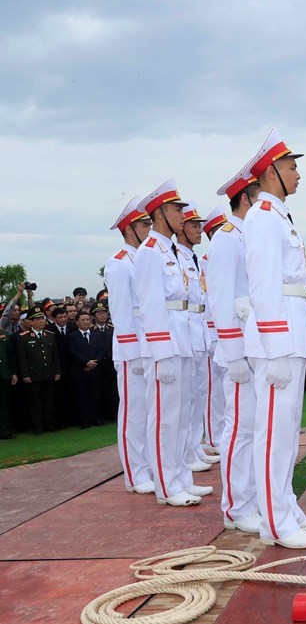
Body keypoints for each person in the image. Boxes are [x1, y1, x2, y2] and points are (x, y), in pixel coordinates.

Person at [243, 128, 306, 548]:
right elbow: (262, 287)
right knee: (273, 432)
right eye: (292, 167)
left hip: (293, 332)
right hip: (276, 339)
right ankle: (274, 523)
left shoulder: (278, 216)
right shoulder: (261, 217)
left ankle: (286, 507)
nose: (298, 174)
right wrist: (275, 348)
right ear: (272, 172)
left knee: (288, 430)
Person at [134, 179, 210, 507]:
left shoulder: (174, 251)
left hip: (185, 338)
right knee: (164, 418)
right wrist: (161, 352)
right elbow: (150, 305)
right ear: (160, 213)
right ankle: (166, 485)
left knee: (181, 415)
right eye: (177, 209)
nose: (182, 214)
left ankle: (181, 477)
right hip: (165, 342)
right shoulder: (150, 252)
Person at [208, 166, 262, 534]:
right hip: (238, 348)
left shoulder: (249, 234)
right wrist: (233, 352)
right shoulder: (227, 239)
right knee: (240, 428)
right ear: (246, 198)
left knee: (255, 427)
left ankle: (254, 499)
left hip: (255, 345)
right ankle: (236, 507)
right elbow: (221, 298)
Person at [105, 196, 155, 494]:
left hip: (149, 344)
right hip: (132, 348)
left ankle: (149, 467)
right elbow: (121, 313)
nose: (150, 228)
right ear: (129, 228)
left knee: (149, 412)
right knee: (133, 413)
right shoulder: (119, 264)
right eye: (144, 224)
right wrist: (131, 352)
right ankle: (135, 474)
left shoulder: (145, 258)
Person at [176, 202, 218, 472]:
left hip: (199, 329)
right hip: (185, 329)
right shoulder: (176, 256)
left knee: (198, 393)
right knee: (187, 396)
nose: (199, 230)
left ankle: (194, 446)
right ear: (181, 228)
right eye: (194, 225)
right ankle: (186, 452)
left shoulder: (191, 258)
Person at [200, 205, 229, 455]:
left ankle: (225, 433)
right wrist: (211, 332)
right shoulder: (205, 261)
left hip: (226, 329)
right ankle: (213, 437)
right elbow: (209, 300)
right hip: (212, 331)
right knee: (214, 389)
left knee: (227, 388)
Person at [16, 306, 61, 434]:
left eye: (43, 318)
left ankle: (50, 424)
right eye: (38, 319)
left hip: (49, 373)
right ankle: (37, 425)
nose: (42, 321)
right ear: (31, 322)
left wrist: (58, 371)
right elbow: (22, 358)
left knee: (49, 401)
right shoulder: (23, 337)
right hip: (33, 374)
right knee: (35, 401)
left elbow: (55, 356)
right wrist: (25, 374)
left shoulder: (50, 335)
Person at [67, 310, 105, 428]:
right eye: (83, 320)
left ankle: (96, 418)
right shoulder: (72, 336)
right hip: (80, 370)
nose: (86, 322)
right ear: (77, 322)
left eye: (87, 319)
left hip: (95, 370)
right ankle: (84, 420)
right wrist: (86, 362)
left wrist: (95, 362)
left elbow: (101, 350)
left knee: (96, 395)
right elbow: (72, 352)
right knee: (82, 396)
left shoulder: (96, 334)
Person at [90, 302, 118, 423]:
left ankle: (114, 414)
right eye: (99, 313)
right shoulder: (91, 330)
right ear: (93, 316)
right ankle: (99, 417)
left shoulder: (113, 328)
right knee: (97, 391)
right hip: (98, 364)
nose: (102, 315)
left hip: (111, 364)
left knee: (113, 390)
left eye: (104, 313)